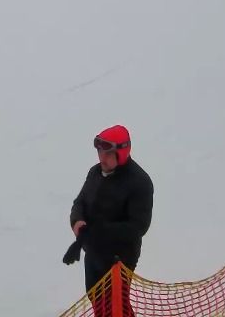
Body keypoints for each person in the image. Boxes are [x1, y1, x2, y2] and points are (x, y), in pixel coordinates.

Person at [64, 125, 153, 317]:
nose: (101, 158)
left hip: (119, 258)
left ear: (121, 153)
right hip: (93, 250)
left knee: (113, 305)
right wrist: (77, 221)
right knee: (96, 297)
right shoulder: (95, 173)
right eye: (99, 152)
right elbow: (80, 202)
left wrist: (100, 231)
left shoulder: (139, 182)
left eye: (107, 153)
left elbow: (139, 226)